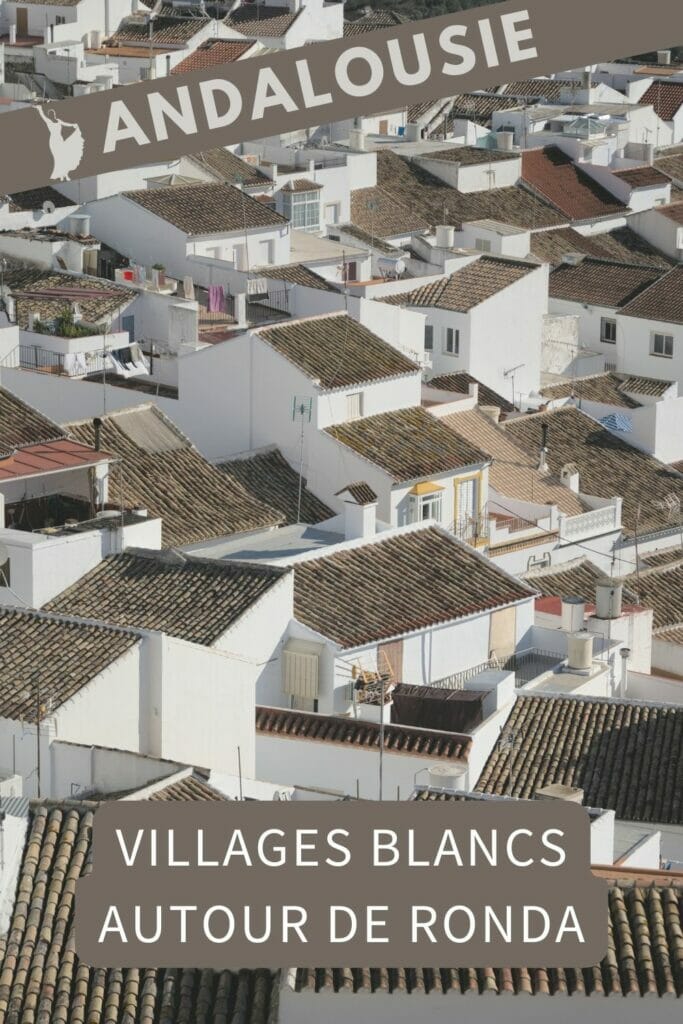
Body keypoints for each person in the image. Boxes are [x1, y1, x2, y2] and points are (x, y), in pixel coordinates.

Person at [36, 105, 84, 182]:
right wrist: (40, 109)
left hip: (60, 140)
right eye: (52, 114)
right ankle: (62, 175)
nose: (53, 115)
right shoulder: (49, 122)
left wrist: (73, 125)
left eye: (54, 114)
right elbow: (43, 116)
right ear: (50, 116)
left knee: (63, 158)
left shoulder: (58, 121)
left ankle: (64, 174)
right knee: (58, 159)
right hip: (54, 141)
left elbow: (66, 124)